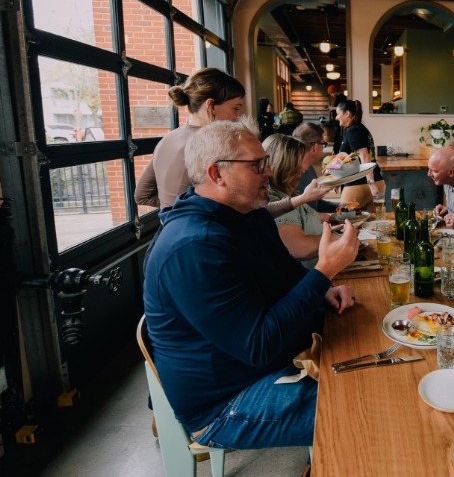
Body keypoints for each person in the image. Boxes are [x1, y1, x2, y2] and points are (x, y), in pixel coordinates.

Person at [143, 118, 359, 451]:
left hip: (264, 361)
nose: (267, 172)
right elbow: (259, 346)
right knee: (355, 411)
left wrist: (322, 288)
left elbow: (286, 272)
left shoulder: (248, 214)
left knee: (367, 366)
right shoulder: (193, 247)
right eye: (256, 165)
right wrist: (324, 272)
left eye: (265, 163)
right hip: (225, 403)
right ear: (217, 173)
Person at [135, 68, 245, 209]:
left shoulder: (167, 139)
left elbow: (142, 195)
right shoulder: (215, 146)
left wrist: (174, 209)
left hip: (169, 228)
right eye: (236, 108)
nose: (238, 116)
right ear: (211, 106)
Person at [263, 134, 336, 269]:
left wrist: (331, 231)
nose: (303, 169)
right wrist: (336, 239)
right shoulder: (274, 199)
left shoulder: (288, 194)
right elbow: (300, 248)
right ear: (283, 165)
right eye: (297, 164)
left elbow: (303, 226)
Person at [335, 99, 385, 211]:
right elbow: (350, 159)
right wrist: (338, 180)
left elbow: (364, 156)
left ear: (347, 114)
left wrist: (371, 185)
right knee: (369, 224)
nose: (336, 117)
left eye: (338, 114)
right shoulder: (359, 129)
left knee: (344, 219)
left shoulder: (354, 131)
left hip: (359, 185)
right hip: (374, 182)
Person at [292, 122, 337, 214]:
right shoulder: (288, 173)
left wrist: (340, 206)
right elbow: (286, 211)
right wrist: (316, 216)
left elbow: (315, 204)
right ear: (315, 147)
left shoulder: (310, 169)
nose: (324, 148)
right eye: (324, 144)